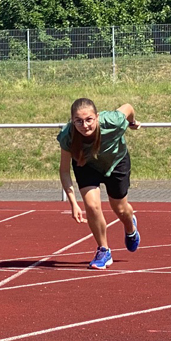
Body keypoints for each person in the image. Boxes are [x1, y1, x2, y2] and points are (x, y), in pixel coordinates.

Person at [57, 98, 141, 270]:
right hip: (86, 164)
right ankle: (104, 250)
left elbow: (128, 107)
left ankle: (130, 227)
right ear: (72, 121)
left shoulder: (112, 121)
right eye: (78, 121)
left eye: (89, 120)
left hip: (116, 162)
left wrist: (132, 122)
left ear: (97, 116)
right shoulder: (68, 135)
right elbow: (64, 171)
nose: (84, 125)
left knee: (120, 209)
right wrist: (73, 203)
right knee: (92, 206)